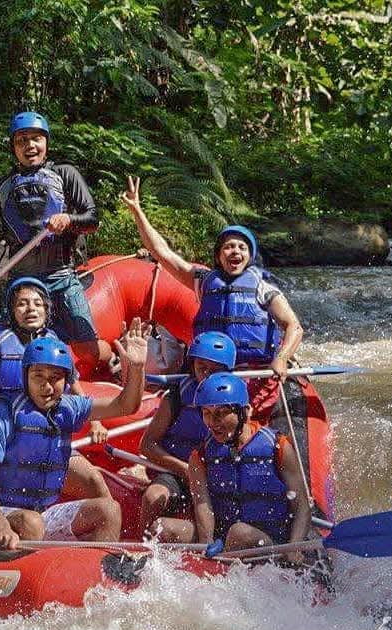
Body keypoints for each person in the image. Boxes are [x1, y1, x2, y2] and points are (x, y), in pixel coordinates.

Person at [0, 323, 149, 548]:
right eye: (38, 376)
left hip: (39, 515)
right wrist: (1, 526)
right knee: (31, 523)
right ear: (25, 377)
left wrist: (137, 368)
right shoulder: (2, 414)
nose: (47, 386)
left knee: (109, 510)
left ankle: (96, 573)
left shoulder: (69, 407)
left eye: (55, 377)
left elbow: (126, 405)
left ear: (65, 381)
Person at [119, 176, 304, 419]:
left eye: (241, 247)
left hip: (253, 375)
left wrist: (281, 359)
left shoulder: (263, 288)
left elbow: (294, 326)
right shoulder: (204, 281)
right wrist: (137, 211)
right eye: (229, 247)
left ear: (250, 256)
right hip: (210, 372)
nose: (235, 251)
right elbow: (161, 252)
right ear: (219, 256)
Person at [0, 111, 112, 376]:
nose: (30, 145)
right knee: (16, 351)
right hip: (22, 280)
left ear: (46, 142)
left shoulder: (66, 174)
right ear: (13, 147)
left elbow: (92, 219)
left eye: (36, 139)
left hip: (62, 275)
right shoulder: (1, 187)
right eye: (22, 140)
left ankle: (116, 357)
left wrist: (69, 219)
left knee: (89, 350)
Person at [150, 373, 311, 563]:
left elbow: (302, 505)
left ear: (245, 412)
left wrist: (295, 546)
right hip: (223, 539)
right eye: (207, 413)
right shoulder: (200, 456)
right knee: (162, 527)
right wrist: (207, 543)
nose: (212, 422)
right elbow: (203, 506)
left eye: (221, 413)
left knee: (240, 533)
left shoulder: (278, 446)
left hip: (270, 542)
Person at [0, 276, 106, 452]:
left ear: (47, 311)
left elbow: (78, 393)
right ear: (12, 312)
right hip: (2, 439)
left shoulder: (58, 351)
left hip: (45, 436)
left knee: (93, 480)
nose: (31, 309)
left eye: (38, 304)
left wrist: (96, 423)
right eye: (22, 304)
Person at [138, 331, 236, 537]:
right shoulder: (176, 398)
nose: (206, 375)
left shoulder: (236, 404)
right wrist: (185, 469)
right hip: (177, 471)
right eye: (202, 368)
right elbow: (146, 446)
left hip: (215, 476)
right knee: (153, 496)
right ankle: (139, 549)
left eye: (215, 371)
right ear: (192, 366)